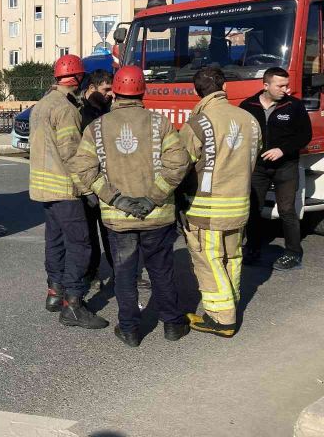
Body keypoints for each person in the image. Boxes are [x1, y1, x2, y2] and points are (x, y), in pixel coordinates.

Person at [70, 66, 190, 347]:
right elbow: (178, 164)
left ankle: (130, 330)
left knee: (124, 274)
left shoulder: (96, 128)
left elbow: (83, 168)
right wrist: (153, 198)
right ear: (142, 91)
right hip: (157, 217)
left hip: (118, 218)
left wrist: (116, 198)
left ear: (115, 93)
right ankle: (172, 324)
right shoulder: (160, 124)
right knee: (161, 271)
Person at [179, 67, 261, 337]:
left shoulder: (198, 123)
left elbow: (180, 166)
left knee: (209, 260)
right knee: (232, 257)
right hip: (240, 205)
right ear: (224, 87)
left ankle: (222, 319)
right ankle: (231, 303)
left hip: (207, 210)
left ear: (195, 91)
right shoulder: (249, 119)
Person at [30, 54, 108, 330]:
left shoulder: (41, 105)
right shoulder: (66, 109)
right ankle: (73, 305)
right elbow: (72, 153)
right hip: (65, 188)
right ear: (76, 78)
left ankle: (55, 293)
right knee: (80, 244)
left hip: (44, 188)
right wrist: (88, 188)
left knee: (56, 241)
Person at [240, 67, 312, 270]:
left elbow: (304, 135)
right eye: (281, 85)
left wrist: (283, 150)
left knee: (287, 210)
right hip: (259, 168)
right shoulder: (248, 106)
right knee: (253, 209)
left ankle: (293, 253)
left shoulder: (294, 106)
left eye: (287, 85)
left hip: (286, 166)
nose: (286, 89)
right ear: (265, 85)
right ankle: (252, 248)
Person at [78, 70, 116, 289]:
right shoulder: (81, 113)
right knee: (89, 234)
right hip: (89, 182)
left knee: (111, 230)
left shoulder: (106, 109)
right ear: (91, 89)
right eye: (106, 89)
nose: (110, 94)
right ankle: (91, 274)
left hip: (108, 181)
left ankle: (120, 271)